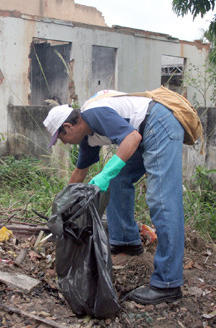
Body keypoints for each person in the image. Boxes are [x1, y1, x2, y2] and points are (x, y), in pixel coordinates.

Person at [43, 90, 185, 305]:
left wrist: (104, 174)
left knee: (162, 200)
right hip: (144, 130)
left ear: (69, 126)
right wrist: (64, 208)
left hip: (159, 123)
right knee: (118, 179)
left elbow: (132, 137)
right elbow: (80, 173)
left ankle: (168, 284)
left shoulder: (94, 113)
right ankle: (126, 241)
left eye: (60, 137)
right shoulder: (87, 138)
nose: (62, 143)